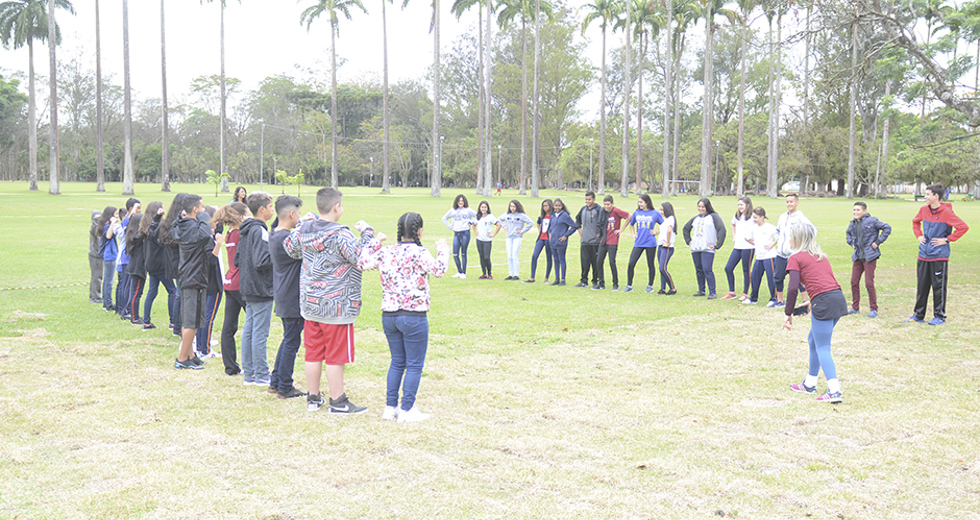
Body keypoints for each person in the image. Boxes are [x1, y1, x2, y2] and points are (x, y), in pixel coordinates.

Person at [284, 187, 374, 414]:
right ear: (337, 207)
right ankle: (338, 400)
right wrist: (368, 234)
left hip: (311, 303)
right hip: (337, 305)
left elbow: (290, 248)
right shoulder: (341, 235)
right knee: (336, 354)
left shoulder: (304, 230)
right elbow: (361, 258)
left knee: (313, 351)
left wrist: (301, 224)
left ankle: (313, 398)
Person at [359, 212, 450, 422]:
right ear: (419, 231)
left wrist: (375, 242)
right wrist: (443, 249)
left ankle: (390, 407)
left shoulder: (387, 251)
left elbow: (362, 262)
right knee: (414, 364)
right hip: (413, 315)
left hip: (389, 315)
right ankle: (407, 408)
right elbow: (439, 270)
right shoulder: (419, 252)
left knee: (397, 362)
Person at [783, 223, 848, 404]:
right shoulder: (821, 257)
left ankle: (834, 390)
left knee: (823, 347)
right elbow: (825, 282)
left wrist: (788, 312)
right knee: (814, 340)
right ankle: (809, 384)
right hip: (837, 299)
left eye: (791, 236)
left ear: (798, 239)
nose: (789, 239)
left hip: (825, 302)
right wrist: (812, 301)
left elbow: (792, 288)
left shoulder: (796, 258)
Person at [908, 183, 969, 325]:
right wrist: (919, 236)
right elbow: (915, 223)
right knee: (922, 286)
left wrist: (947, 239)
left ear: (936, 196)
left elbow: (963, 227)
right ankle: (918, 315)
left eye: (928, 194)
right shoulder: (923, 210)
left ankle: (939, 316)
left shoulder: (947, 212)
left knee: (938, 287)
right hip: (923, 255)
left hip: (939, 256)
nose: (926, 197)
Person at [170, 194, 213, 370]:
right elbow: (204, 235)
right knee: (191, 322)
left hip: (187, 275)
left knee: (189, 319)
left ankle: (190, 354)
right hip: (193, 276)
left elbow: (173, 227)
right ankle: (182, 359)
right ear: (195, 209)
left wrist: (182, 217)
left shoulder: (181, 225)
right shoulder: (194, 228)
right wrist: (204, 217)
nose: (204, 210)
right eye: (201, 207)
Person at [237, 192, 276, 386]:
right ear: (262, 209)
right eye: (270, 207)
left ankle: (249, 373)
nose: (272, 210)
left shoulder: (245, 229)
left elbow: (237, 259)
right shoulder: (259, 230)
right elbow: (262, 260)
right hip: (260, 287)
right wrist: (277, 255)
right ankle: (261, 374)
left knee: (250, 330)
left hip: (247, 286)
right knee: (259, 332)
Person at [213, 202, 249, 375]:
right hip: (240, 283)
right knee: (253, 325)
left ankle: (230, 366)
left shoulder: (229, 234)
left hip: (229, 282)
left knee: (228, 327)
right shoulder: (239, 234)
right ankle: (251, 366)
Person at [846, 202, 892, 319]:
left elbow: (887, 227)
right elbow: (848, 233)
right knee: (854, 282)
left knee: (868, 283)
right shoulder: (853, 223)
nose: (855, 212)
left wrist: (877, 242)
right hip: (858, 256)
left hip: (869, 256)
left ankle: (874, 309)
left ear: (864, 211)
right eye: (854, 210)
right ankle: (855, 307)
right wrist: (851, 243)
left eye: (858, 210)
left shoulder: (872, 221)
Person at [773, 193, 814, 307]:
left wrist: (802, 245)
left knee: (797, 278)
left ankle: (805, 300)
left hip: (793, 254)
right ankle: (780, 301)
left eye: (791, 202)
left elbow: (812, 230)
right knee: (778, 277)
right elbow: (777, 231)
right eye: (787, 202)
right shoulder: (782, 217)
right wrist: (779, 241)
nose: (789, 204)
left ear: (797, 203)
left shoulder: (800, 217)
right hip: (781, 254)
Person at [682, 198, 727, 299]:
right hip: (696, 248)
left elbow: (722, 230)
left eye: (703, 206)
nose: (701, 208)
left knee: (707, 269)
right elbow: (686, 228)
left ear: (707, 207)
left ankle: (712, 292)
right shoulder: (696, 218)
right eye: (699, 206)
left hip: (707, 248)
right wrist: (688, 240)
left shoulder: (714, 217)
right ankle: (701, 290)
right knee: (699, 269)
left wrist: (717, 245)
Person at [194, 206, 223, 360]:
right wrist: (218, 244)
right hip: (212, 283)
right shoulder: (207, 240)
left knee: (203, 316)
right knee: (208, 318)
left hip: (203, 283)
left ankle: (201, 347)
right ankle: (205, 350)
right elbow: (210, 261)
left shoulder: (200, 235)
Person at [622, 194, 663, 293]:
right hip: (639, 242)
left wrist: (656, 232)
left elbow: (664, 224)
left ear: (647, 202)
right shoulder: (637, 213)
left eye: (641, 202)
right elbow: (631, 224)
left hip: (650, 243)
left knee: (650, 264)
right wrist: (633, 234)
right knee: (631, 263)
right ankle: (629, 285)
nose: (639, 204)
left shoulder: (655, 213)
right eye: (639, 202)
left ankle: (650, 285)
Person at [142, 201, 173, 331]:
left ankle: (146, 322)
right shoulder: (158, 227)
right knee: (172, 291)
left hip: (151, 264)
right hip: (160, 265)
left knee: (152, 292)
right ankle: (173, 322)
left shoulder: (147, 226)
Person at [743, 207, 778, 306]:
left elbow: (780, 236)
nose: (754, 220)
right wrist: (756, 244)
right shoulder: (753, 228)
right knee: (755, 277)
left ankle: (774, 299)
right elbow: (747, 237)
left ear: (762, 217)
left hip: (769, 256)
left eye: (756, 217)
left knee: (771, 278)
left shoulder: (770, 227)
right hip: (759, 256)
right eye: (753, 218)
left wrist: (772, 244)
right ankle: (753, 298)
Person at [597, 195, 631, 291]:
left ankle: (615, 284)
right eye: (605, 205)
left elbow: (629, 216)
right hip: (603, 240)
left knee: (612, 262)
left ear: (612, 204)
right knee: (599, 261)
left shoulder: (616, 211)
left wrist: (622, 229)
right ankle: (601, 283)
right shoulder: (602, 212)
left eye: (608, 204)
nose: (606, 207)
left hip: (613, 241)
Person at [723, 197, 754, 300]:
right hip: (738, 246)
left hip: (748, 247)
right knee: (728, 268)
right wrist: (734, 236)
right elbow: (733, 224)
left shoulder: (752, 217)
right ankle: (732, 292)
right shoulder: (737, 216)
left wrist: (753, 240)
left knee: (746, 270)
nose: (740, 207)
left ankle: (745, 293)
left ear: (748, 205)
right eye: (739, 205)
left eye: (742, 204)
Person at [574, 191, 606, 288]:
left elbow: (603, 222)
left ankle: (595, 281)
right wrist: (579, 229)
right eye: (586, 199)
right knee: (584, 262)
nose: (587, 201)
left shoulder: (599, 209)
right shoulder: (583, 209)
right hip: (585, 241)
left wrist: (599, 233)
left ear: (594, 200)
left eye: (589, 199)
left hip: (595, 242)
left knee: (595, 263)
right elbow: (577, 219)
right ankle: (583, 280)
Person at [442, 194, 477, 279]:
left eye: (462, 201)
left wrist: (472, 222)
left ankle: (463, 273)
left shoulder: (468, 210)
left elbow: (477, 215)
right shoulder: (453, 210)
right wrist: (450, 227)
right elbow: (444, 218)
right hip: (456, 233)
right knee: (455, 254)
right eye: (459, 201)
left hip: (465, 232)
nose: (460, 203)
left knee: (463, 253)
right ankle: (459, 270)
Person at [499, 200, 534, 280]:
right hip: (509, 237)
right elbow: (499, 219)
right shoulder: (507, 214)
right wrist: (504, 227)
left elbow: (530, 223)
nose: (512, 208)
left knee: (515, 255)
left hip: (517, 237)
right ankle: (510, 274)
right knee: (509, 256)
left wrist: (522, 231)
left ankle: (516, 275)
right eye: (511, 206)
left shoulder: (521, 215)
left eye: (514, 206)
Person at [546, 198, 577, 286]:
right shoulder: (553, 215)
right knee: (555, 260)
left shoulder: (565, 215)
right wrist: (550, 234)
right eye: (556, 205)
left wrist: (566, 235)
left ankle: (563, 279)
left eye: (559, 205)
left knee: (561, 259)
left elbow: (574, 226)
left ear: (562, 206)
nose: (557, 207)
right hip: (553, 242)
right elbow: (550, 227)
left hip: (561, 242)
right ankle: (557, 278)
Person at [524, 199, 554, 284]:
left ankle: (546, 278)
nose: (545, 207)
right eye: (543, 206)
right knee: (534, 255)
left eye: (546, 206)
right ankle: (532, 277)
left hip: (548, 239)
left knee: (548, 257)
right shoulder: (542, 217)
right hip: (541, 238)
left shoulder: (553, 216)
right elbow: (538, 223)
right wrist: (540, 230)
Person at [124, 213, 146, 325]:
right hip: (138, 267)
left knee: (135, 292)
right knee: (136, 293)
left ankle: (135, 314)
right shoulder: (138, 236)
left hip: (135, 266)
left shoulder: (132, 234)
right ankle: (134, 317)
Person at [97, 206, 119, 312]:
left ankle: (107, 301)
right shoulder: (107, 226)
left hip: (110, 254)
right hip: (108, 255)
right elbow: (108, 236)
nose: (117, 217)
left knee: (108, 280)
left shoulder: (106, 224)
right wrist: (112, 223)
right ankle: (108, 303)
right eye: (115, 215)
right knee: (109, 281)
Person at [471, 201, 500, 280]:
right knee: (481, 257)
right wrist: (476, 233)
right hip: (479, 240)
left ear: (487, 208)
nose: (483, 209)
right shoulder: (478, 217)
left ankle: (489, 273)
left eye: (485, 207)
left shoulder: (490, 217)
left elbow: (498, 225)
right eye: (482, 207)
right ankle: (484, 273)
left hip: (487, 240)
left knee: (487, 257)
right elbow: (473, 224)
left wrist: (493, 234)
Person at [656, 202, 677, 295]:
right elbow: (662, 229)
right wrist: (656, 232)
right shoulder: (665, 220)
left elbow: (669, 230)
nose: (661, 212)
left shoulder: (671, 218)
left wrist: (668, 242)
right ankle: (662, 288)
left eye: (662, 210)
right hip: (660, 246)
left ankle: (672, 288)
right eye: (660, 210)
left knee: (662, 268)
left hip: (667, 248)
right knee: (661, 268)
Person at [88, 210, 104, 304]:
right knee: (97, 276)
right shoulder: (95, 227)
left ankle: (93, 295)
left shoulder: (96, 227)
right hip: (96, 255)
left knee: (96, 275)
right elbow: (99, 242)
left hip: (96, 254)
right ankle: (96, 297)